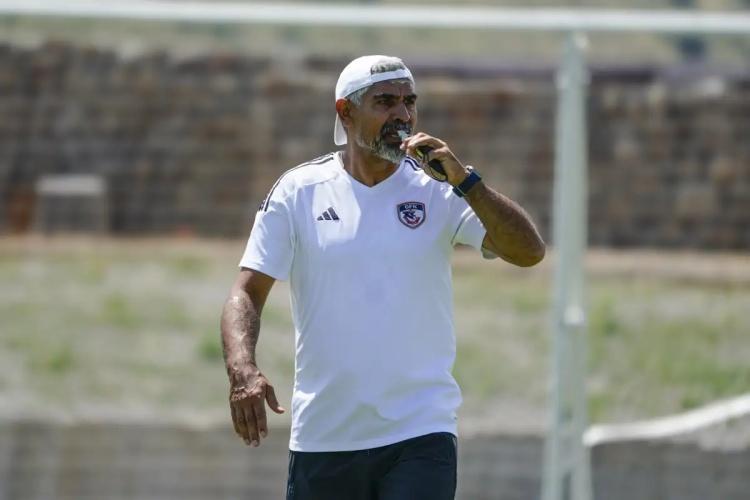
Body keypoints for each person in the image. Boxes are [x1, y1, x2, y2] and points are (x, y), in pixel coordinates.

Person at [220, 55, 545, 500]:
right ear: (346, 112)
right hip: (324, 437)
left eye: (410, 102)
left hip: (420, 432)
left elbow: (529, 252)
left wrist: (467, 182)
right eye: (385, 102)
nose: (403, 115)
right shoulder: (298, 192)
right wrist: (242, 370)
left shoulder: (439, 188)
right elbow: (246, 292)